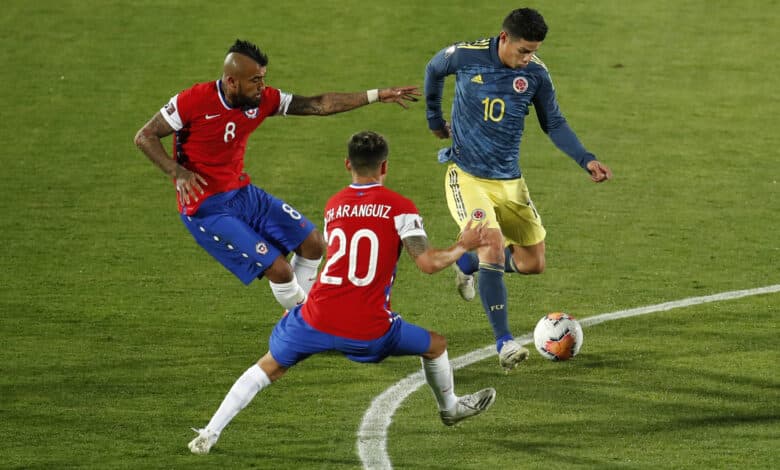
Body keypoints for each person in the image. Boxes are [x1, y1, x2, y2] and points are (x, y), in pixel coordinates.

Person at [188, 131, 496, 454]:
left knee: (268, 367)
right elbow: (429, 263)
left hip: (315, 317)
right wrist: (463, 245)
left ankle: (209, 432)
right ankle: (450, 408)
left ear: (348, 164)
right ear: (385, 167)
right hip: (371, 329)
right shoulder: (400, 208)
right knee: (436, 346)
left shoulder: (334, 205)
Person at [134, 39, 420, 309]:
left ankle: (299, 318)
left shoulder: (262, 100)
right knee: (281, 271)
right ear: (232, 81)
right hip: (205, 207)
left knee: (313, 244)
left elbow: (318, 104)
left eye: (263, 78)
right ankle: (308, 322)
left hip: (241, 193)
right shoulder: (192, 100)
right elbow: (145, 136)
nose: (262, 86)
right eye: (255, 80)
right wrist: (177, 171)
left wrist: (377, 95)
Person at [423, 8, 612, 371]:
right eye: (523, 50)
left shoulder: (536, 75)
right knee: (492, 244)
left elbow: (553, 122)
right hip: (467, 175)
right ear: (504, 38)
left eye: (533, 51)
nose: (527, 59)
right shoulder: (467, 55)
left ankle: (465, 262)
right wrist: (434, 119)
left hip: (510, 181)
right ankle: (504, 342)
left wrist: (585, 159)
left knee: (532, 263)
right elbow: (434, 69)